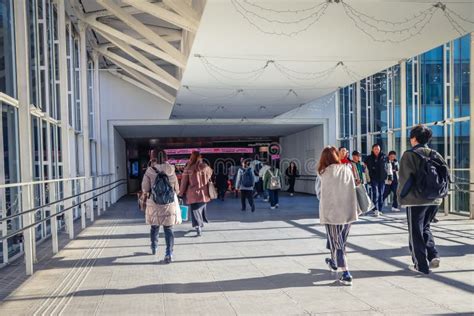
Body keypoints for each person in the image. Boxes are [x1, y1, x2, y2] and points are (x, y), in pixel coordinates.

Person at [397, 125, 447, 275]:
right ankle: (433, 255)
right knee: (425, 227)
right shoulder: (435, 154)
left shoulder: (409, 155)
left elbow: (405, 180)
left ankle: (421, 265)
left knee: (415, 232)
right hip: (435, 199)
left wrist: (400, 198)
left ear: (413, 138)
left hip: (416, 200)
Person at [315, 146, 358, 286]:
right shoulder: (347, 169)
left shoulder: (323, 173)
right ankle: (333, 262)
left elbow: (319, 193)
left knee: (337, 242)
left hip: (332, 213)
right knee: (340, 241)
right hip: (347, 211)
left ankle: (346, 273)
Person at [141, 150, 179, 263]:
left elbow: (145, 189)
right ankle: (169, 253)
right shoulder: (171, 170)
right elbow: (177, 189)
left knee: (154, 226)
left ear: (153, 158)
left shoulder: (149, 171)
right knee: (168, 229)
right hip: (169, 203)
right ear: (166, 157)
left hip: (154, 203)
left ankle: (154, 246)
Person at [179, 151, 213, 237]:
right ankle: (200, 223)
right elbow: (210, 173)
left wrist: (181, 193)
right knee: (200, 209)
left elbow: (184, 182)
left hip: (193, 193)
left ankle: (198, 227)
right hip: (204, 193)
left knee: (195, 211)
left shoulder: (189, 168)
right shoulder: (205, 167)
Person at [364, 144, 391, 217]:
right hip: (373, 178)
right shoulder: (368, 158)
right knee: (375, 193)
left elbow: (389, 167)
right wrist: (366, 178)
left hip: (382, 178)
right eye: (375, 149)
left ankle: (380, 209)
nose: (377, 150)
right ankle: (375, 209)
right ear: (372, 150)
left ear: (380, 149)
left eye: (378, 149)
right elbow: (364, 168)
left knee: (381, 194)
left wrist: (390, 177)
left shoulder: (385, 157)